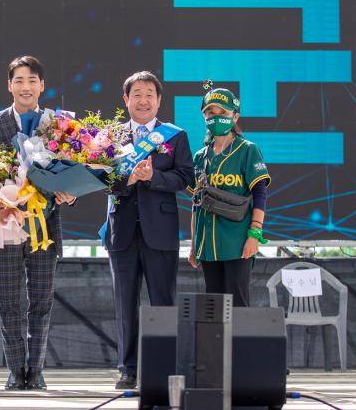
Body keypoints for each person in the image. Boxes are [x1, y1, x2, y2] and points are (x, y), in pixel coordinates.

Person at [0, 55, 76, 391]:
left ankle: (37, 369)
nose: (26, 87)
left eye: (32, 80)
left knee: (41, 302)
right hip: (5, 223)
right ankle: (15, 370)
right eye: (19, 80)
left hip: (45, 225)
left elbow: (71, 172)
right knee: (8, 302)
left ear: (42, 85)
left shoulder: (58, 124)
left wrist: (70, 193)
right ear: (9, 85)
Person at [104, 71, 194, 390]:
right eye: (137, 94)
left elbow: (185, 177)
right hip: (122, 231)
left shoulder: (175, 136)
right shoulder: (111, 136)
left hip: (161, 232)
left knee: (163, 302)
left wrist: (153, 177)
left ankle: (164, 367)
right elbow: (101, 180)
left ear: (158, 100)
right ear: (126, 99)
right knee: (125, 305)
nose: (143, 101)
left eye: (149, 95)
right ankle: (127, 369)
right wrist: (127, 180)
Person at [186, 85, 270, 307]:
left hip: (237, 242)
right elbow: (196, 203)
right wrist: (194, 245)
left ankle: (241, 336)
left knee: (238, 305)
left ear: (235, 116)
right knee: (214, 307)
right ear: (204, 116)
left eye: (222, 112)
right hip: (207, 244)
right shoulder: (200, 156)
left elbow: (260, 193)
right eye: (210, 112)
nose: (216, 117)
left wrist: (255, 234)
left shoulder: (248, 150)